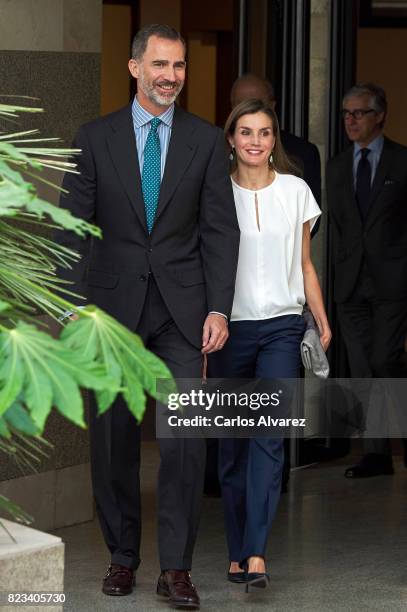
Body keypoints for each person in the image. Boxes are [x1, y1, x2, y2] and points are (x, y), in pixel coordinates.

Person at [56, 24, 240, 610]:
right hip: (110, 315)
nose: (171, 76)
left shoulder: (208, 142)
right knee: (112, 440)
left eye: (179, 66)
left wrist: (218, 307)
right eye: (160, 65)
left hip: (184, 316)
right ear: (135, 68)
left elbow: (219, 230)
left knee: (184, 442)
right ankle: (122, 556)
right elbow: (73, 231)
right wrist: (74, 308)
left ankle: (177, 568)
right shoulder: (93, 138)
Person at [209, 98, 331, 590]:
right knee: (233, 444)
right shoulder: (215, 193)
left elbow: (304, 262)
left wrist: (319, 314)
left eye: (264, 132)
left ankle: (257, 551)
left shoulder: (296, 190)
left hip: (282, 325)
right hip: (229, 329)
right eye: (246, 132)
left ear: (273, 138)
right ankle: (237, 550)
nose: (255, 141)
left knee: (269, 434)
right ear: (231, 139)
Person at [327, 82, 407, 478]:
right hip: (350, 285)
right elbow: (340, 228)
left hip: (393, 283)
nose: (350, 120)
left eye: (359, 113)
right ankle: (376, 454)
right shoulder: (338, 166)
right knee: (361, 368)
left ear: (380, 116)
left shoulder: (402, 162)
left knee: (385, 361)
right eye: (346, 114)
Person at [230, 74, 321, 210]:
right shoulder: (213, 162)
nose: (251, 112)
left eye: (257, 104)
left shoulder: (298, 184)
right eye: (242, 105)